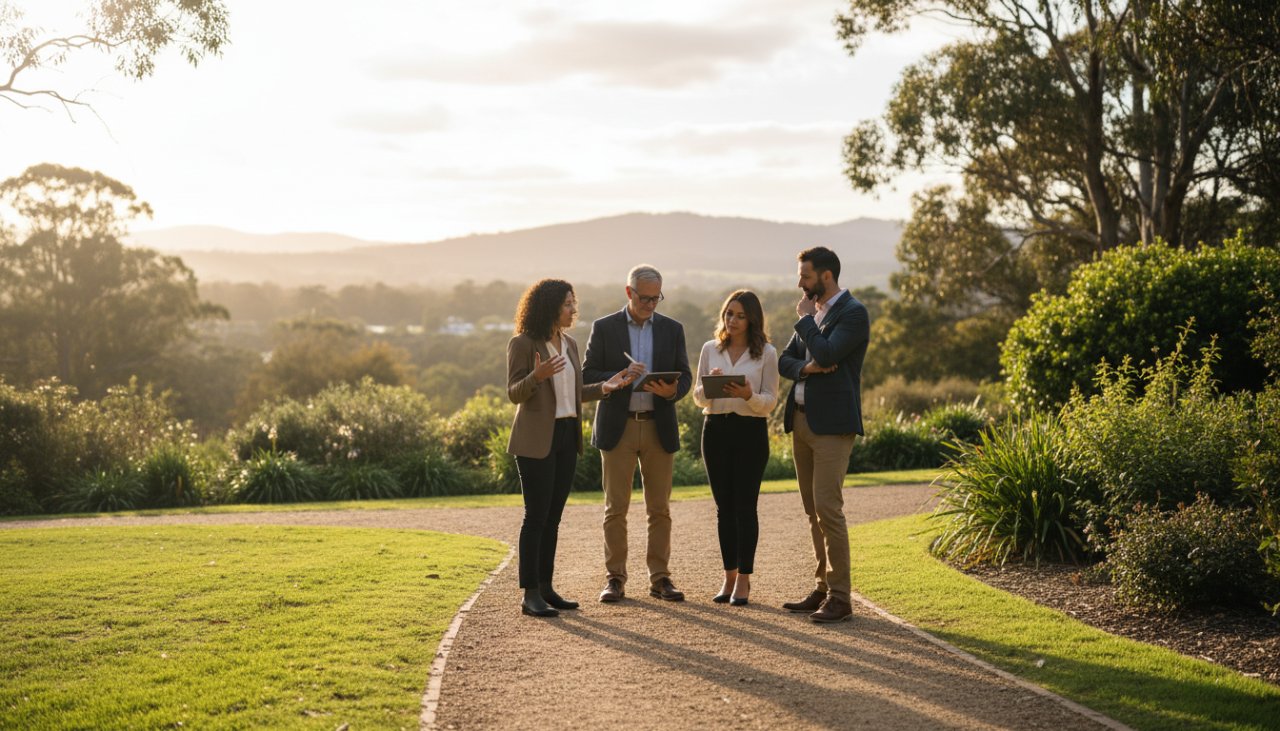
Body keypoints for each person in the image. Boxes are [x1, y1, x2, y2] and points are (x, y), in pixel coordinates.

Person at [507, 279, 635, 618]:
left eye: (573, 302)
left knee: (553, 518)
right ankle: (530, 593)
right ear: (549, 307)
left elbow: (573, 392)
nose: (573, 309)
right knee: (535, 517)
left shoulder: (571, 344)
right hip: (535, 439)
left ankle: (547, 588)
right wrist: (537, 376)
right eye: (567, 304)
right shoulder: (523, 343)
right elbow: (514, 393)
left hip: (566, 434)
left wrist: (605, 387)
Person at [582, 264, 692, 603]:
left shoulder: (673, 329)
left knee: (659, 509)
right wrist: (620, 375)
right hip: (619, 426)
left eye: (656, 298)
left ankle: (660, 578)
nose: (650, 304)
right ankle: (614, 578)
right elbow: (588, 374)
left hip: (658, 425)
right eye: (644, 298)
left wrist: (669, 392)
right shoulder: (604, 327)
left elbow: (685, 377)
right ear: (629, 293)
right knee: (616, 508)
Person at [778, 246, 870, 623]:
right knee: (812, 511)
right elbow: (785, 361)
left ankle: (841, 597)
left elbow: (829, 354)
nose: (800, 283)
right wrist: (809, 369)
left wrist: (805, 324)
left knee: (828, 508)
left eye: (805, 276)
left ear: (826, 277)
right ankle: (822, 587)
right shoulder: (814, 315)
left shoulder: (853, 313)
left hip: (833, 425)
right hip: (800, 421)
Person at [692, 290, 779, 607]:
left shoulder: (766, 353)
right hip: (715, 430)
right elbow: (698, 397)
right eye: (729, 313)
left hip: (750, 432)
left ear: (752, 319)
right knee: (723, 509)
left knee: (746, 507)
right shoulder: (709, 349)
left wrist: (746, 395)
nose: (732, 320)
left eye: (740, 315)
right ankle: (728, 576)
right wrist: (709, 385)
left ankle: (744, 579)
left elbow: (769, 402)